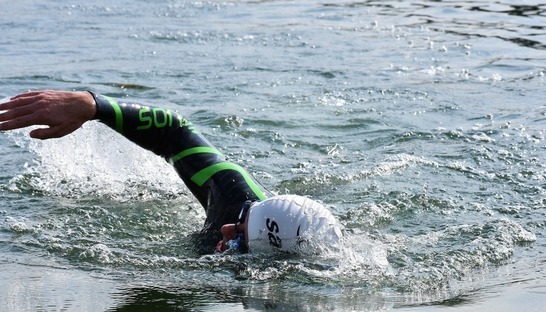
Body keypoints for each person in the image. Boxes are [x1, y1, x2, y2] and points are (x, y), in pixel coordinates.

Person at [0, 90, 342, 255]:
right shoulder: (235, 197)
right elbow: (176, 132)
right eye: (242, 217)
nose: (225, 227)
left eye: (238, 236)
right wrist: (95, 106)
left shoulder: (247, 285)